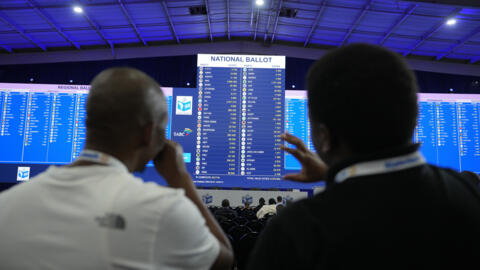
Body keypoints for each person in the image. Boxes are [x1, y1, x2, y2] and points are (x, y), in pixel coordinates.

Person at [247, 44, 480, 269]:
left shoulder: (297, 230)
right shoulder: (471, 192)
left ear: (324, 137)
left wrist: (338, 175)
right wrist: (336, 174)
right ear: (413, 118)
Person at [0, 68, 233, 270]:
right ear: (148, 134)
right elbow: (223, 260)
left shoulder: (6, 203)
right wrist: (180, 178)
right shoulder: (162, 209)